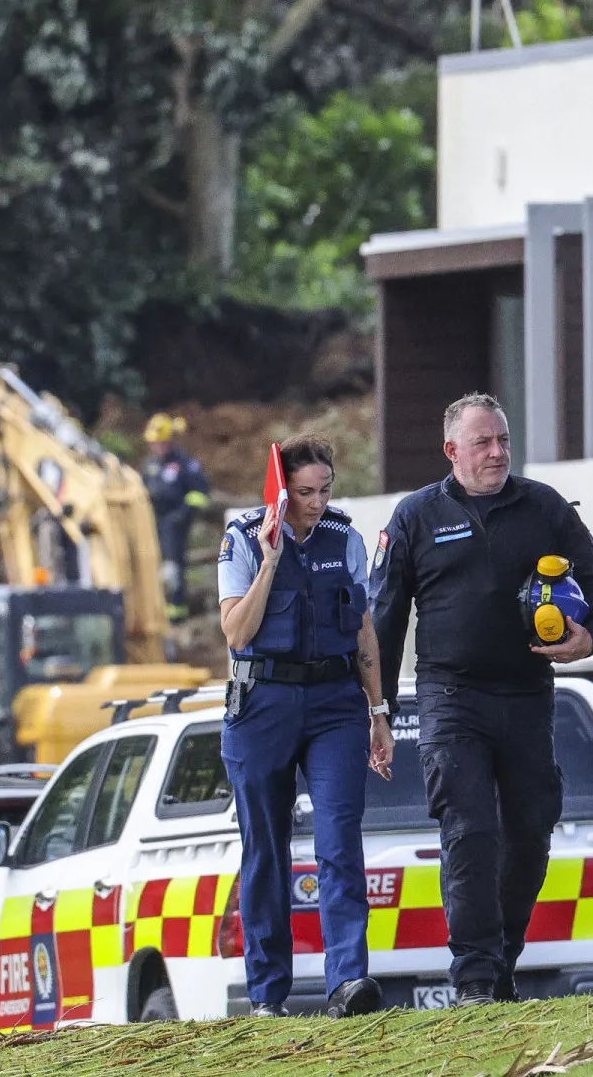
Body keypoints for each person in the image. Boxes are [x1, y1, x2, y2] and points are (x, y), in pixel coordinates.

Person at [371, 393, 593, 1007]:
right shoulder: (414, 517)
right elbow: (385, 621)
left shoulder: (543, 507)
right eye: (483, 443)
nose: (498, 452)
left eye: (503, 440)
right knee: (471, 827)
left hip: (528, 692)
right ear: (452, 450)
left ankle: (502, 955)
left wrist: (592, 635)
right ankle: (475, 974)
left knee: (531, 830)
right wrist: (372, 709)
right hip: (450, 696)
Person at [217, 433, 394, 1019]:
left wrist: (378, 711)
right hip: (262, 701)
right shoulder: (242, 537)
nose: (316, 502)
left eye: (325, 490)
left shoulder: (345, 537)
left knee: (339, 839)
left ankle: (348, 982)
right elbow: (237, 633)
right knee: (264, 848)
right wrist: (270, 559)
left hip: (334, 703)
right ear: (280, 489)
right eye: (303, 492)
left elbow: (363, 628)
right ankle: (268, 995)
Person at [143, 413, 211, 623]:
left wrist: (183, 514)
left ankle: (176, 611)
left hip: (175, 523)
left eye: (161, 443)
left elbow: (201, 494)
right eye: (154, 443)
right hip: (154, 522)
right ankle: (156, 608)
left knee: (174, 566)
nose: (157, 447)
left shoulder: (185, 464)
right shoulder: (150, 465)